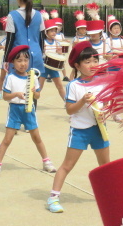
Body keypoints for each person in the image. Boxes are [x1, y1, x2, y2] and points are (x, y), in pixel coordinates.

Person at [46, 42, 109, 213]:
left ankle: (109, 196)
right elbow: (69, 110)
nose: (92, 65)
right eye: (87, 62)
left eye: (95, 61)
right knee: (67, 165)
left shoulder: (103, 82)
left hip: (99, 130)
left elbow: (108, 104)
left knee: (105, 167)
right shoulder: (74, 85)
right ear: (77, 65)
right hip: (80, 131)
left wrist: (106, 113)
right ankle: (53, 197)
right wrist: (82, 101)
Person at [0, 45, 55, 177]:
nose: (23, 64)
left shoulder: (33, 77)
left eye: (26, 60)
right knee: (7, 139)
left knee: (36, 137)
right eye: (19, 60)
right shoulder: (10, 78)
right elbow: (5, 96)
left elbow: (38, 96)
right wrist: (16, 94)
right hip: (15, 110)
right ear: (13, 62)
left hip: (29, 110)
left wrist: (34, 92)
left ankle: (46, 161)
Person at [3, 0, 45, 76]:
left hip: (19, 58)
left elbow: (10, 40)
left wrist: (6, 59)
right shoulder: (39, 15)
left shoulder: (12, 15)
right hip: (36, 56)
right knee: (33, 88)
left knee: (18, 87)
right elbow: (42, 38)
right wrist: (42, 55)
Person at [39, 17, 66, 100]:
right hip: (44, 66)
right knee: (39, 86)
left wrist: (60, 53)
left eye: (55, 31)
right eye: (51, 31)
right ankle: (32, 102)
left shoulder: (57, 42)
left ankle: (66, 102)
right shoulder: (42, 42)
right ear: (46, 32)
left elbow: (61, 55)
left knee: (59, 86)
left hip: (53, 67)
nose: (54, 33)